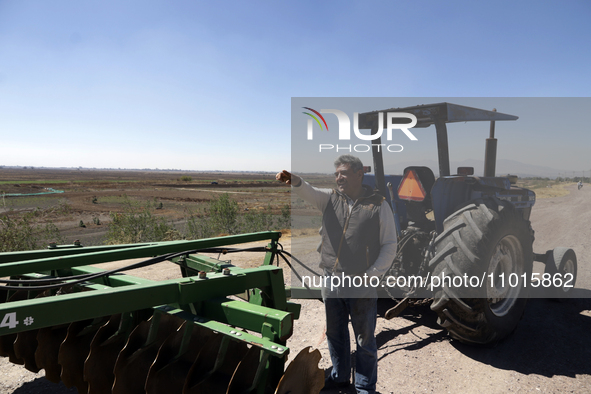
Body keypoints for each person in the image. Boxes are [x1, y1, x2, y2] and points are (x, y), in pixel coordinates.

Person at [276, 155, 397, 394]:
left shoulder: (378, 205)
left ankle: (364, 386)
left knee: (364, 340)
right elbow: (308, 191)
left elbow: (390, 244)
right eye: (336, 174)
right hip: (332, 280)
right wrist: (295, 180)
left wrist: (373, 274)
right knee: (335, 334)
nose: (339, 177)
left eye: (343, 173)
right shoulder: (330, 199)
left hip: (361, 283)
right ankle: (340, 377)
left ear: (359, 173)